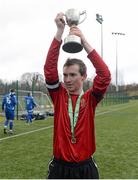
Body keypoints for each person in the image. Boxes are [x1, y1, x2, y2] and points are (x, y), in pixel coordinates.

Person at [44, 12, 111, 179]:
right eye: (65, 75)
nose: (67, 79)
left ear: (83, 76)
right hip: (60, 168)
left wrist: (84, 41)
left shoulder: (90, 99)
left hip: (85, 168)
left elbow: (104, 75)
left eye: (72, 75)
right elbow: (49, 69)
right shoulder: (58, 96)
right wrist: (59, 32)